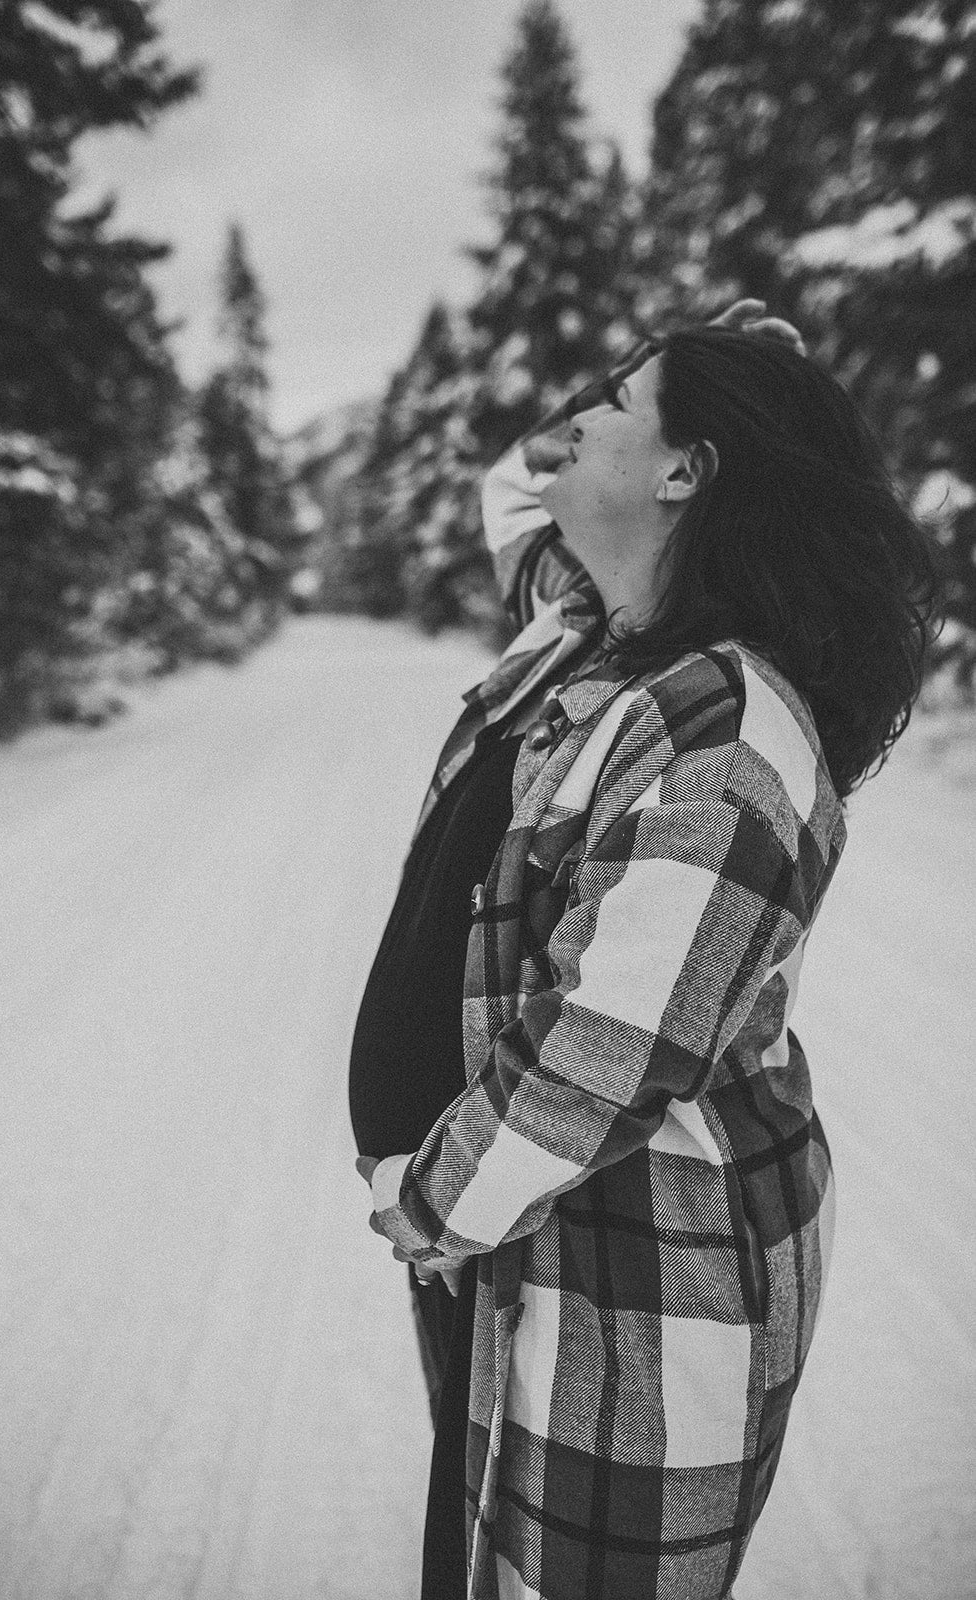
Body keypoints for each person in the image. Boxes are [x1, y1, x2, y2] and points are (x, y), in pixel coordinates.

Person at [350, 300, 934, 1600]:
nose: (567, 425)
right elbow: (521, 482)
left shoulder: (724, 736)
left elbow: (597, 1064)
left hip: (637, 1277)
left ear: (685, 470)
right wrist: (710, 355)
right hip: (516, 1246)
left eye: (613, 402)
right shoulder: (587, 625)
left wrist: (428, 1202)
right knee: (476, 1544)